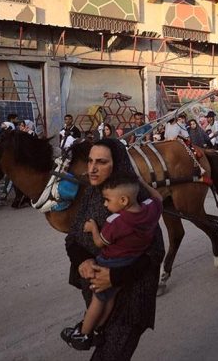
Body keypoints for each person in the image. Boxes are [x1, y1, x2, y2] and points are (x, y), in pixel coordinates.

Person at [61, 138, 165, 359]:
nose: (92, 168)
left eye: (101, 162)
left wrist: (115, 276)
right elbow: (73, 238)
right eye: (90, 161)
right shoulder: (91, 194)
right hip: (99, 297)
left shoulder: (136, 203)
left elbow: (155, 253)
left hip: (131, 302)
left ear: (117, 164)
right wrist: (83, 261)